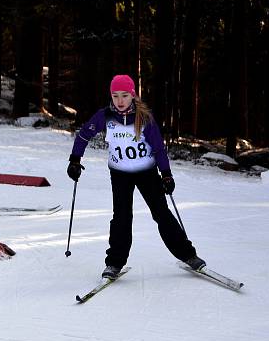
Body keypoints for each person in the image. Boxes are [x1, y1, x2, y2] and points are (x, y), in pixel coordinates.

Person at [66, 74, 205, 279]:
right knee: (121, 217)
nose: (120, 101)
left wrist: (166, 175)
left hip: (147, 172)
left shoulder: (144, 118)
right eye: (115, 96)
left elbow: (158, 149)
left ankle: (188, 256)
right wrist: (75, 160)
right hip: (120, 174)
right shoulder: (104, 116)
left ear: (133, 95)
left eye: (124, 95)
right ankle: (114, 263)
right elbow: (84, 135)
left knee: (162, 214)